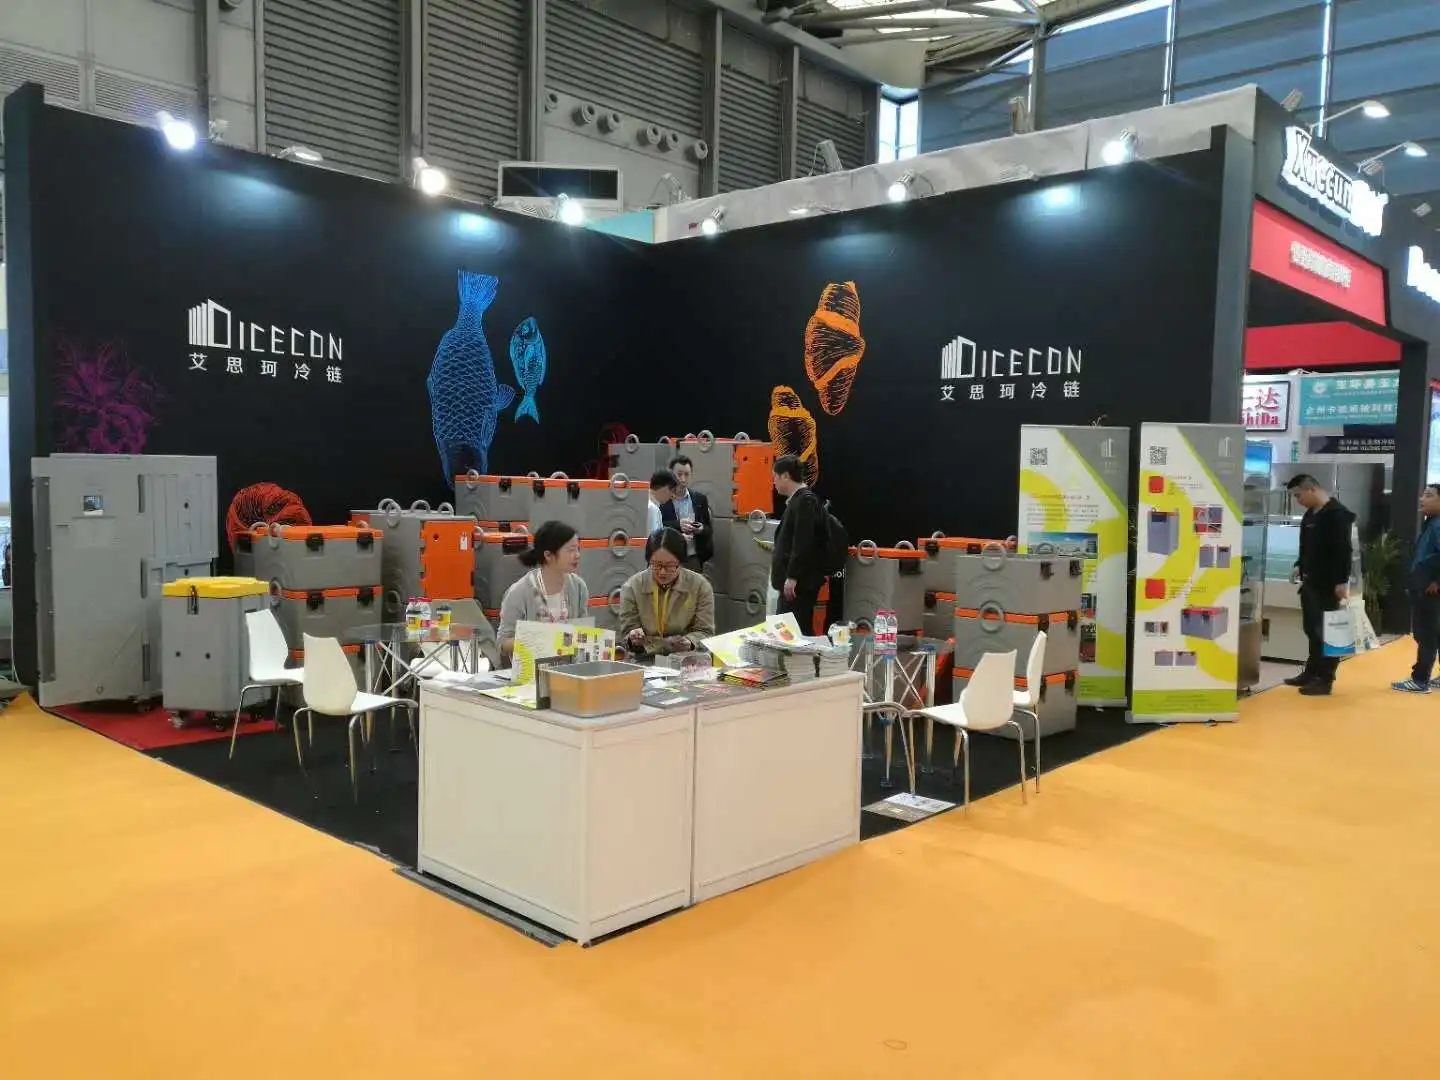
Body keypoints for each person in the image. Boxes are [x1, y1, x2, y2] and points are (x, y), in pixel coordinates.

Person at [1284, 474, 1355, 696]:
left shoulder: (1338, 515)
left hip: (1329, 584)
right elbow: (1306, 546)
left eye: (1298, 495)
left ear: (1311, 489)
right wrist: (1299, 565)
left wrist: (1341, 581)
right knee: (1312, 629)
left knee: (1328, 631)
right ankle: (1311, 671)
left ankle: (1325, 679)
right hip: (1310, 581)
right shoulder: (1310, 515)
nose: (1298, 500)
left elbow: (1344, 551)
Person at [496, 520, 589, 659]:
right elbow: (502, 643)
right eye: (571, 550)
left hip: (569, 667)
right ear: (548, 555)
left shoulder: (578, 586)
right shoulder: (519, 592)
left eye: (578, 549)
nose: (577, 555)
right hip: (532, 668)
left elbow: (584, 630)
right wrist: (534, 640)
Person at [618, 527, 716, 656]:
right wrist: (633, 638)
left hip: (685, 658)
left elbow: (706, 632)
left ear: (681, 562)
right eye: (656, 565)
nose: (662, 572)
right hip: (644, 657)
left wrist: (691, 642)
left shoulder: (700, 586)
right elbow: (627, 632)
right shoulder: (632, 587)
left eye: (670, 566)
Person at [771, 454, 827, 635]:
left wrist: (793, 576)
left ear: (786, 476)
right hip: (793, 584)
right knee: (790, 631)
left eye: (775, 477)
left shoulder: (805, 501)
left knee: (794, 632)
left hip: (799, 586)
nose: (774, 482)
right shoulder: (797, 501)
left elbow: (803, 541)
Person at [1392, 484, 1440, 694]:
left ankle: (1420, 680)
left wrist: (1436, 581)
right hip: (1426, 585)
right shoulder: (1432, 522)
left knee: (1426, 633)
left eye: (1429, 495)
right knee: (1434, 632)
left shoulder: (1437, 525)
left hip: (1430, 589)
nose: (1422, 499)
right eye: (1423, 494)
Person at [659, 454, 714, 571]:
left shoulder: (699, 499)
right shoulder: (661, 500)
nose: (683, 479)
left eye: (687, 475)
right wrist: (677, 525)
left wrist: (701, 529)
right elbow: (655, 528)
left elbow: (709, 529)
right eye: (679, 474)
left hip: (692, 558)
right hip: (667, 558)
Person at [647, 468, 676, 538]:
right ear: (664, 488)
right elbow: (654, 541)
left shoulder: (649, 505)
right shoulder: (652, 509)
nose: (673, 496)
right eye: (672, 490)